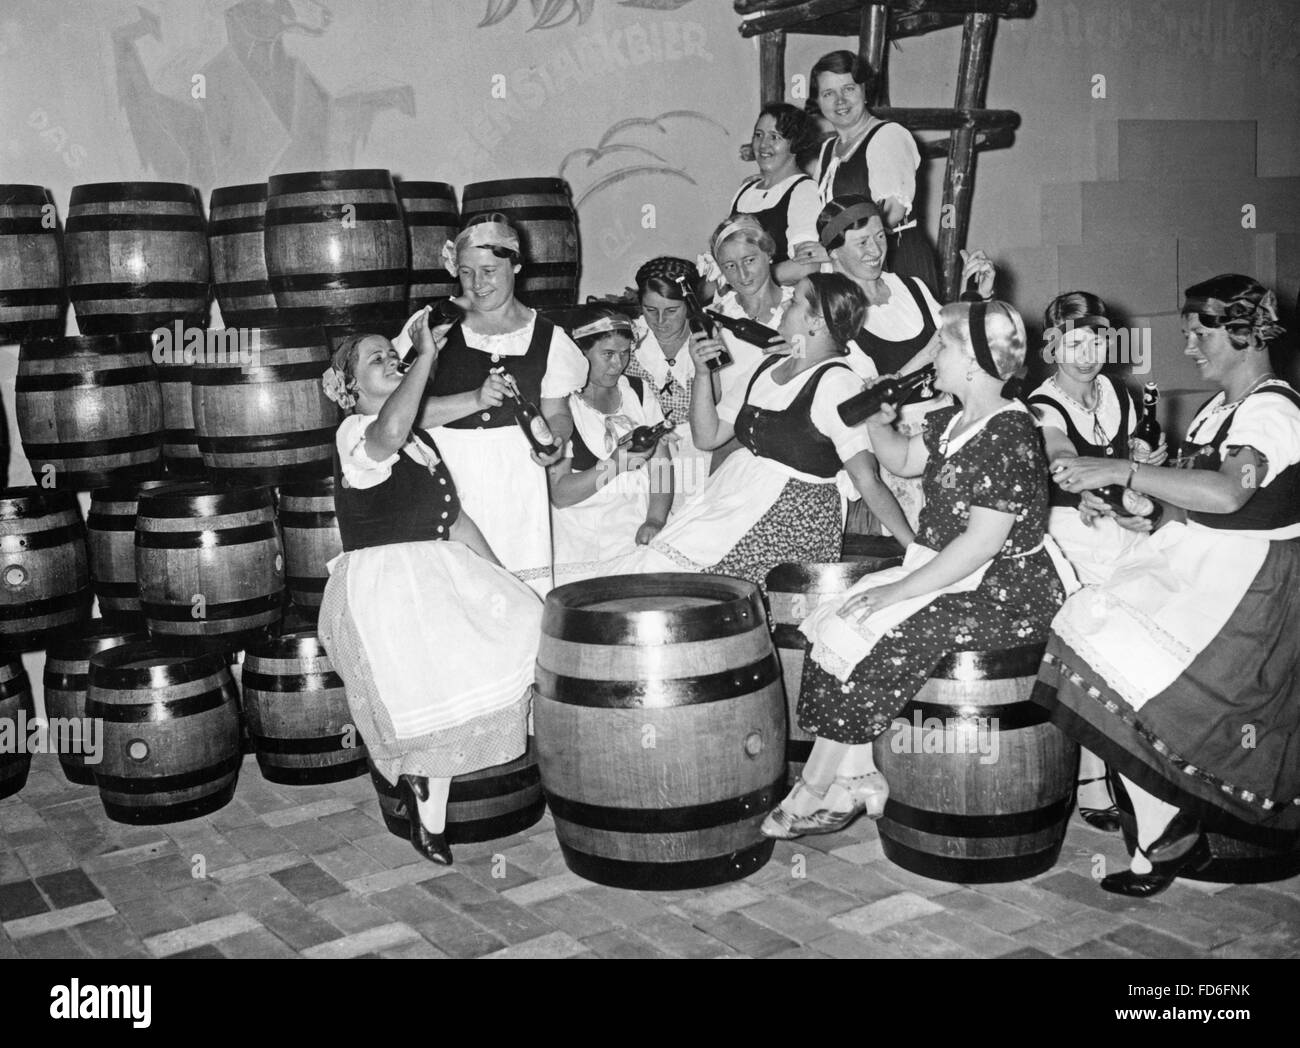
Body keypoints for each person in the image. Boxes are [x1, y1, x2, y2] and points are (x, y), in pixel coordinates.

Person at [763, 299, 1069, 838]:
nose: (932, 358)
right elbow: (903, 460)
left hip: (1005, 589)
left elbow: (982, 544)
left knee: (883, 632)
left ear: (972, 360)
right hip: (947, 569)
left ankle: (813, 786)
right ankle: (857, 773)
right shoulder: (952, 420)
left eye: (941, 347)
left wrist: (899, 590)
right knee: (841, 617)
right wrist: (876, 422)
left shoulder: (1011, 431)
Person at [1037, 274, 1300, 897]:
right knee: (1086, 632)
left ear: (1243, 334)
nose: (1188, 347)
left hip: (1252, 588)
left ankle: (1167, 831)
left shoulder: (1272, 410)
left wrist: (1123, 470)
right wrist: (1150, 511)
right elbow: (1196, 500)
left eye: (1200, 335)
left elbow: (1230, 493)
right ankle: (1162, 826)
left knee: (1127, 662)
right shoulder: (1221, 407)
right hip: (1206, 564)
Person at [316, 310, 542, 867]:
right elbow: (390, 429)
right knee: (427, 691)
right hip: (386, 588)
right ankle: (426, 798)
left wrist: (503, 577)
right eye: (377, 359)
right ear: (349, 389)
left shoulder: (418, 442)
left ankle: (426, 790)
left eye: (393, 355)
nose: (392, 361)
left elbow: (454, 519)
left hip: (435, 571)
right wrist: (426, 357)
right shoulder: (355, 434)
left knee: (523, 628)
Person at [602, 272, 915, 589]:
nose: (784, 306)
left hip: (789, 518)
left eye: (794, 302)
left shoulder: (838, 383)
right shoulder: (768, 366)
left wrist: (913, 548)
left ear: (816, 322)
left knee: (662, 577)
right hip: (735, 498)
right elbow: (708, 437)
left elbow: (866, 477)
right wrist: (702, 373)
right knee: (641, 566)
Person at [1028, 291, 1168, 833]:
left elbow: (1133, 459)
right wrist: (1095, 485)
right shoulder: (1043, 404)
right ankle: (1091, 773)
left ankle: (1143, 771)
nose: (1087, 356)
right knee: (1096, 648)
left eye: (1097, 343)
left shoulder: (1118, 394)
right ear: (1052, 347)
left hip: (1121, 529)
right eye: (1074, 344)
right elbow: (1060, 457)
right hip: (1073, 535)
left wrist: (1147, 465)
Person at [410, 213, 588, 596]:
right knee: (457, 591)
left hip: (516, 481)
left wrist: (555, 440)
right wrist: (471, 400)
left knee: (517, 593)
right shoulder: (435, 326)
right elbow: (402, 414)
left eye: (489, 271)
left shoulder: (548, 337)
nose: (477, 284)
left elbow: (557, 413)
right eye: (466, 272)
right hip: (449, 472)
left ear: (516, 265)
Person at [818, 195, 994, 532]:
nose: (875, 250)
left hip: (947, 424)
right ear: (834, 252)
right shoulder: (833, 314)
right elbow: (864, 403)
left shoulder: (910, 287)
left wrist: (977, 296)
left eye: (880, 236)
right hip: (896, 449)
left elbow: (961, 347)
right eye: (861, 242)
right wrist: (926, 356)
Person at [795, 50, 938, 290]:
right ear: (817, 101)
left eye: (849, 89)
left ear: (865, 91)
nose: (840, 101)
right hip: (852, 265)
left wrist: (832, 247)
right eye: (828, 93)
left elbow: (892, 212)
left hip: (893, 262)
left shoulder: (888, 136)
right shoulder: (829, 148)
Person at [549, 308, 674, 574]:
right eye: (608, 354)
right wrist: (615, 465)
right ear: (580, 352)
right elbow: (559, 495)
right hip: (585, 536)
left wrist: (655, 519)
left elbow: (661, 465)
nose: (618, 364)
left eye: (625, 353)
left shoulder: (637, 391)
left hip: (641, 518)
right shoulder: (560, 404)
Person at [704, 215, 796, 472]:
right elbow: (714, 399)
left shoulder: (803, 306)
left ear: (768, 253)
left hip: (793, 444)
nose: (742, 275)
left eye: (749, 260)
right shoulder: (716, 318)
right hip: (734, 448)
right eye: (730, 266)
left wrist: (801, 350)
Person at [625, 256, 710, 507]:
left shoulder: (708, 336)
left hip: (702, 447)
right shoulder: (629, 339)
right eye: (650, 310)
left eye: (672, 311)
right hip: (647, 452)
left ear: (690, 305)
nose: (660, 321)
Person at [722, 103, 823, 284]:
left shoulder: (803, 190)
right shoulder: (745, 190)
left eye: (775, 137)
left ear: (795, 143)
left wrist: (747, 281)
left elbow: (807, 266)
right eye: (758, 135)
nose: (763, 144)